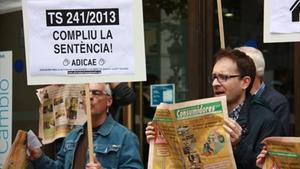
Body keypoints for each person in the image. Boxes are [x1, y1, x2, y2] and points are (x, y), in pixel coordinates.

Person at [145, 49, 285, 169]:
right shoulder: (203, 113)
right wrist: (161, 139)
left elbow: (270, 166)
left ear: (245, 82)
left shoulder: (267, 121)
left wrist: (238, 145)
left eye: (223, 77)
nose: (215, 83)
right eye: (214, 77)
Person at [29, 83, 143, 169]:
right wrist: (39, 157)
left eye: (96, 93)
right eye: (85, 93)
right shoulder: (72, 136)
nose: (89, 97)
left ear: (109, 101)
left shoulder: (124, 137)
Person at [236, 46, 290, 134]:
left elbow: (277, 143)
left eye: (237, 68)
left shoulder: (277, 102)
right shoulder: (232, 99)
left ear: (252, 71)